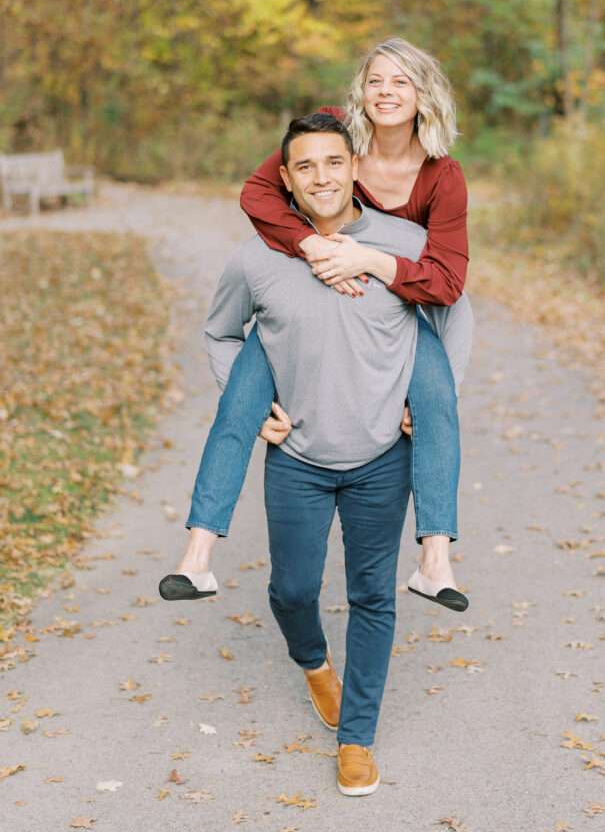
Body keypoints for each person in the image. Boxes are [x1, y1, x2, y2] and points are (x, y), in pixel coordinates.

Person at [162, 113, 472, 795]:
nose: (323, 177)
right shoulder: (257, 257)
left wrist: (430, 397)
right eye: (306, 167)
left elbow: (456, 312)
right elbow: (219, 333)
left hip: (380, 458)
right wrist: (253, 408)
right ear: (286, 179)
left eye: (334, 162)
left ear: (355, 167)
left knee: (372, 596)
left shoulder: (404, 241)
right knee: (291, 589)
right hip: (298, 458)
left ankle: (357, 738)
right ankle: (312, 663)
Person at [169, 37, 470, 610]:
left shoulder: (440, 174)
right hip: (309, 297)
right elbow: (259, 191)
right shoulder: (334, 130)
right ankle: (197, 556)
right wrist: (312, 245)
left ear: (423, 94)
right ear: (360, 88)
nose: (386, 92)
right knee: (239, 403)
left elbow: (449, 284)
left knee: (439, 401)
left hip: (392, 302)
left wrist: (369, 260)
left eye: (401, 81)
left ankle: (436, 560)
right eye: (376, 80)